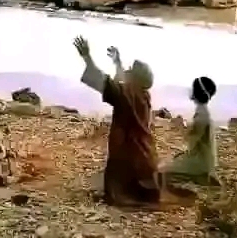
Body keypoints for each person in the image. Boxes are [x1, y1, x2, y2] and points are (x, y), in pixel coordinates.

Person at [74, 35, 161, 206]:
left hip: (131, 159)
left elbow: (103, 81)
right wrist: (117, 62)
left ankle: (127, 191)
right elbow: (123, 83)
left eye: (131, 69)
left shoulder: (126, 94)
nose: (127, 70)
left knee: (117, 174)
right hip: (147, 161)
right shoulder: (143, 96)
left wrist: (87, 57)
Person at [160, 76, 220, 187]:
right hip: (203, 160)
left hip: (200, 163)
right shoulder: (203, 111)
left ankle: (200, 177)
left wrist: (178, 125)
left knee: (161, 169)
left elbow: (190, 140)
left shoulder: (201, 115)